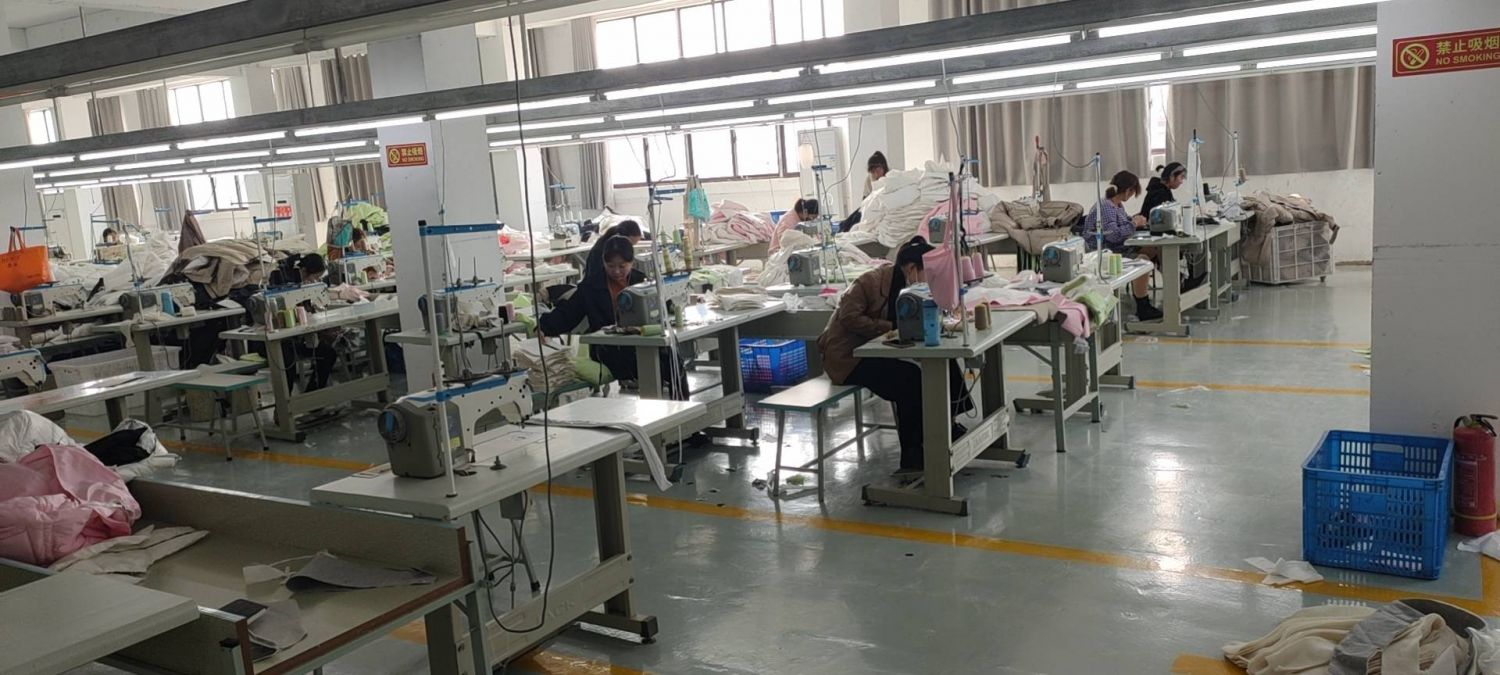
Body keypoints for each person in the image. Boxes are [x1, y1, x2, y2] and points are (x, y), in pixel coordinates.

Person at [817, 237, 972, 477]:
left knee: (945, 361)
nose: (930, 280)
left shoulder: (912, 289)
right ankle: (912, 456)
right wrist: (890, 327)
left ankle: (948, 426)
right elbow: (849, 317)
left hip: (880, 349)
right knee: (909, 379)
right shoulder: (869, 283)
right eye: (927, 273)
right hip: (849, 358)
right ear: (911, 269)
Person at [538, 236, 687, 397]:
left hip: (642, 342)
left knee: (671, 356)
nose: (616, 271)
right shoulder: (591, 287)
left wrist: (673, 306)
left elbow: (664, 305)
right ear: (603, 262)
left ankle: (680, 404)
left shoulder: (641, 281)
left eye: (622, 266)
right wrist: (543, 327)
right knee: (658, 361)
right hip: (608, 349)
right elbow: (568, 313)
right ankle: (670, 403)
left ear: (631, 262)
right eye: (610, 266)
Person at [1076, 170, 1163, 322]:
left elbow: (1124, 222)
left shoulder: (1117, 205)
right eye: (1133, 192)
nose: (1132, 195)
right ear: (1128, 190)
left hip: (1117, 247)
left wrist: (1135, 221)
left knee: (1155, 249)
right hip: (1104, 252)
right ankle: (1143, 307)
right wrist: (1134, 223)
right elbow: (1114, 235)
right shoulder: (1106, 207)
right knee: (1143, 260)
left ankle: (1178, 284)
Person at [280, 254, 340, 392]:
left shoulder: (305, 290)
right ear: (303, 271)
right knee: (287, 361)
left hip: (299, 339)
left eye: (319, 278)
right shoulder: (290, 288)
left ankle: (313, 396)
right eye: (314, 277)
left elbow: (310, 313)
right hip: (284, 342)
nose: (316, 281)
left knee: (328, 353)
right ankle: (285, 402)